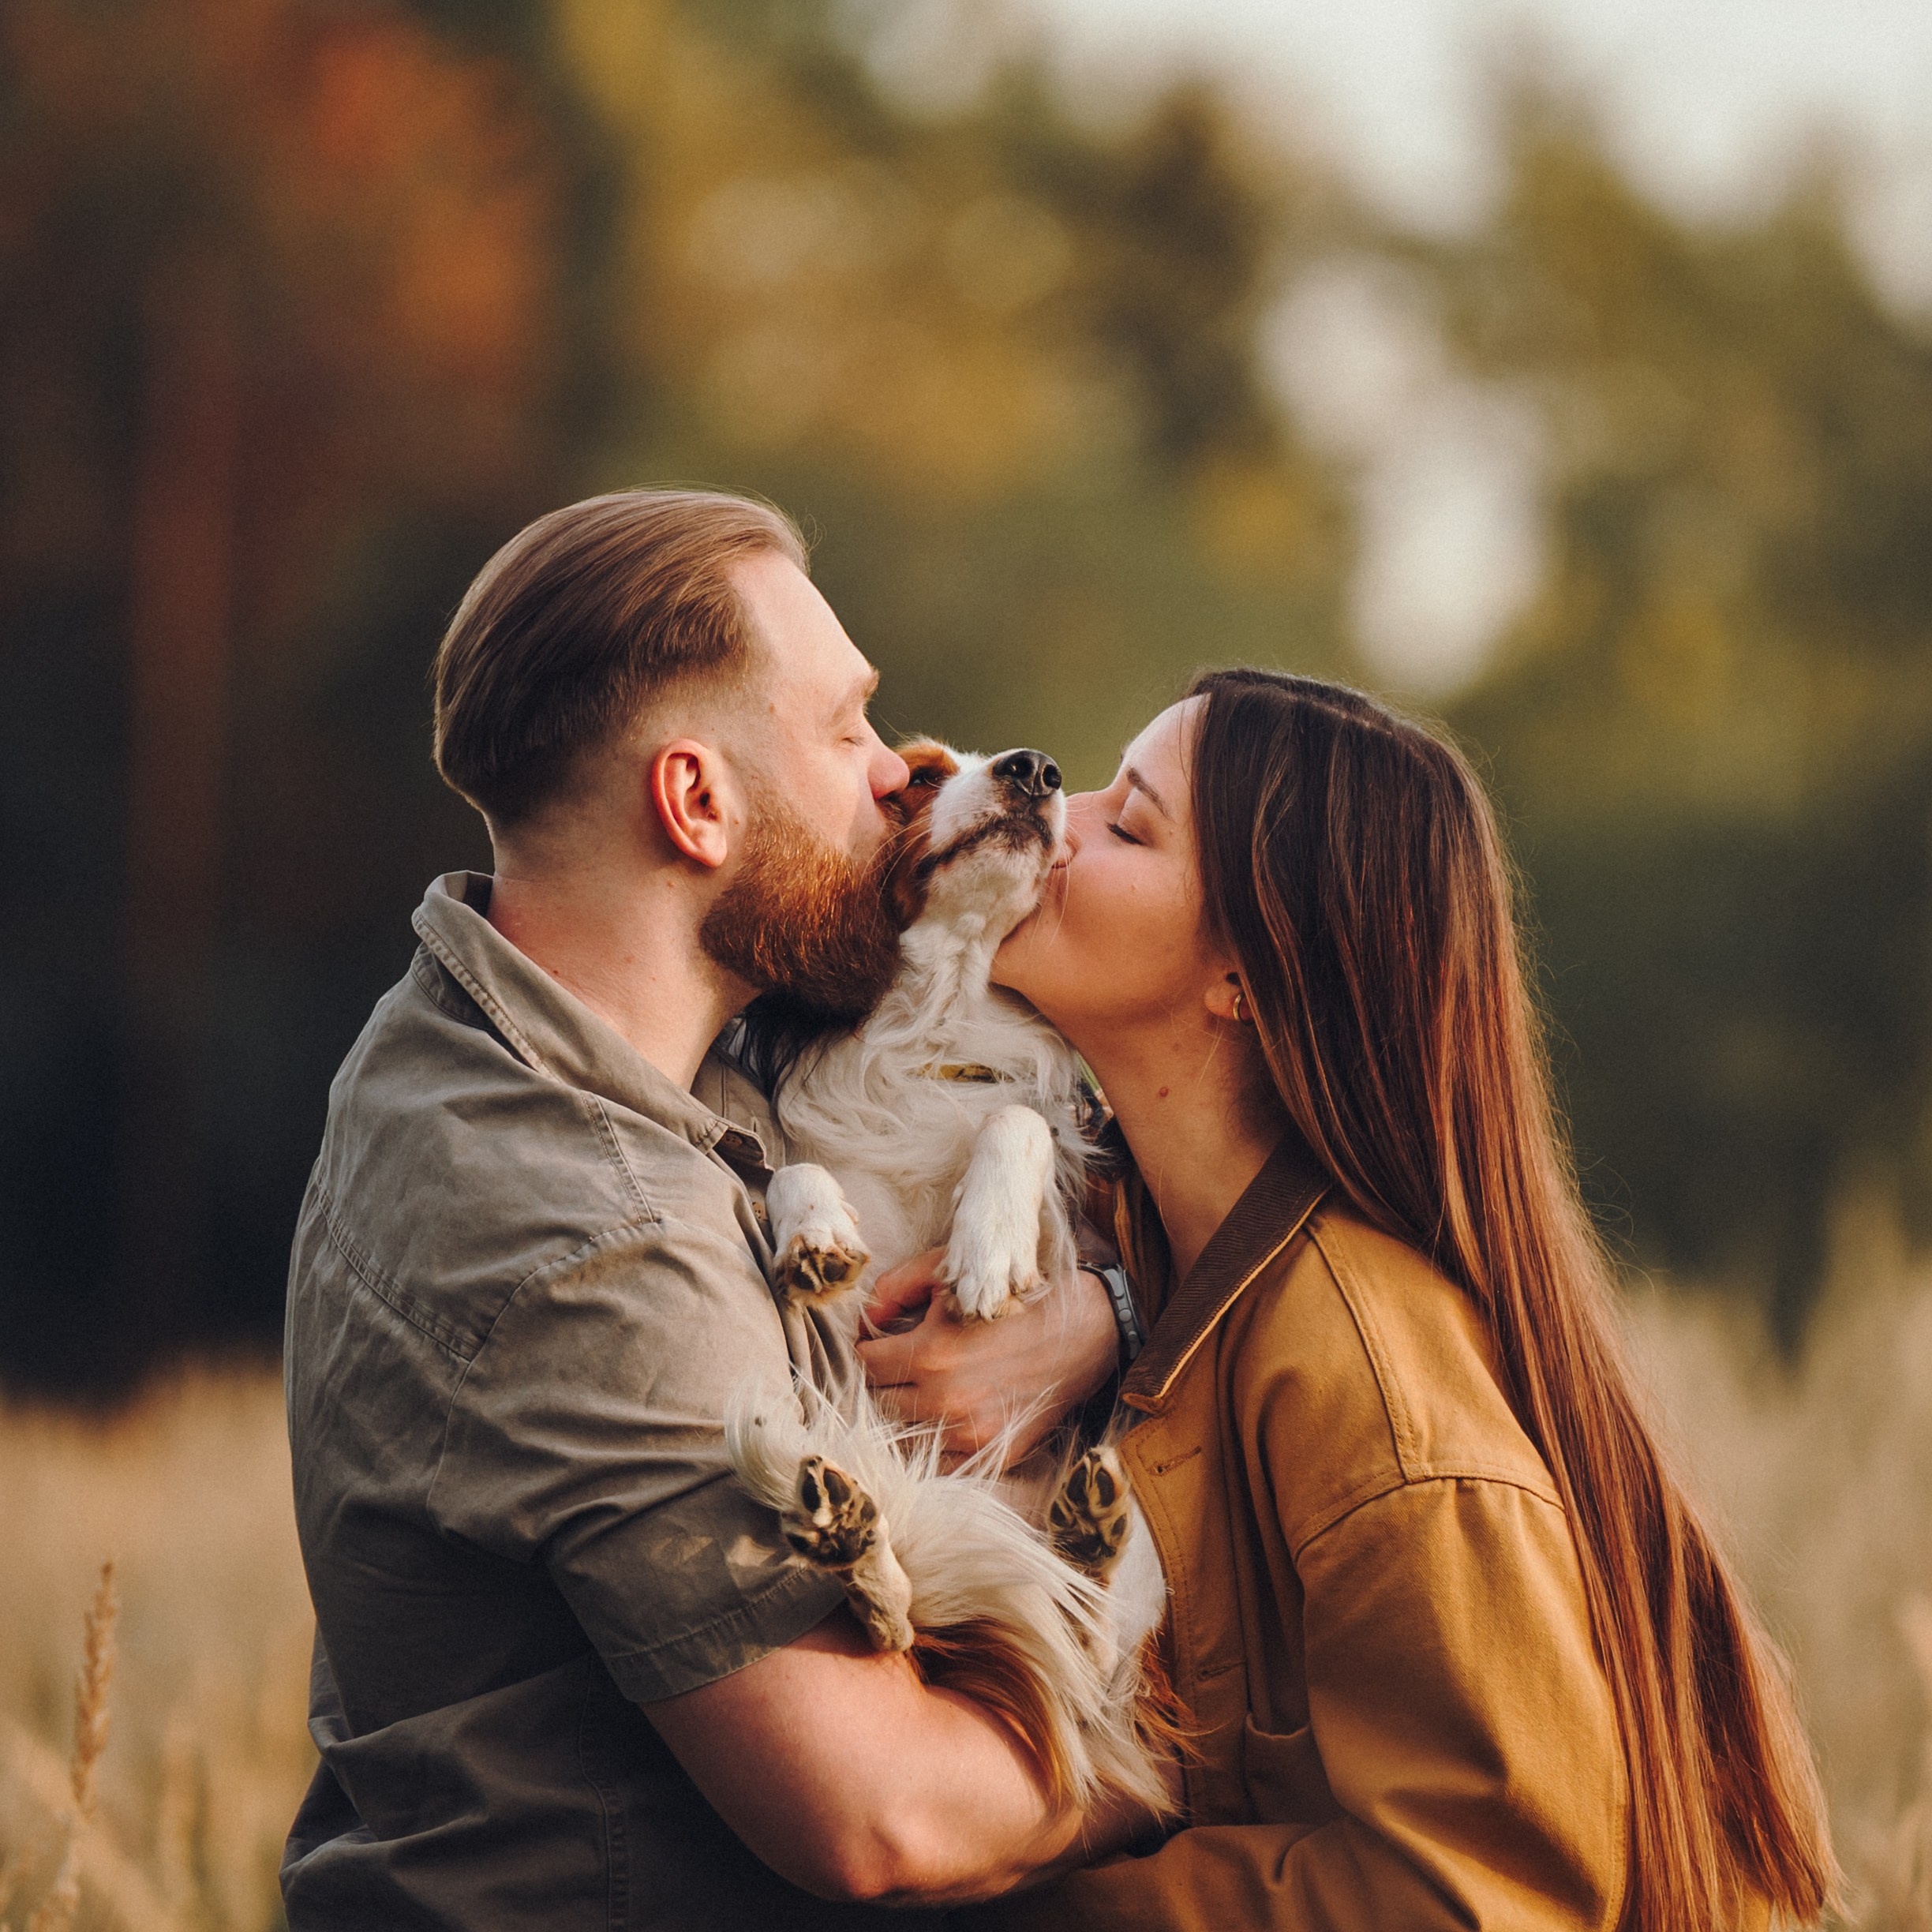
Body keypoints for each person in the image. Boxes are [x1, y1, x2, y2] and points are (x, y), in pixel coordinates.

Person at [279, 488, 1138, 1930]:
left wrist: (1093, 1317)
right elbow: (885, 1816)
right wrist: (1219, 1733)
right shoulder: (591, 1236)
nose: (892, 776)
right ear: (695, 802)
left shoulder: (481, 1037)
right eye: (850, 728)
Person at [949, 668, 1837, 1930]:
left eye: (1128, 824)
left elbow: (1470, 1897)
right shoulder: (1164, 1261)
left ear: (1244, 979)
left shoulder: (1361, 1367)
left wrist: (1025, 1903)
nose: (1060, 817)